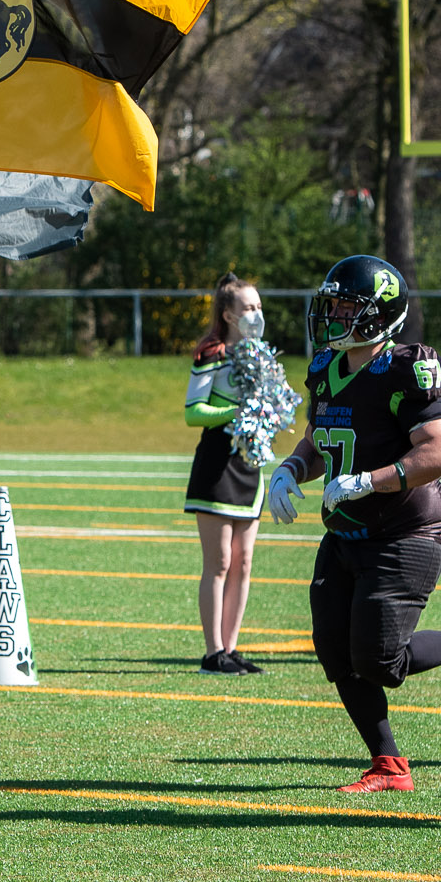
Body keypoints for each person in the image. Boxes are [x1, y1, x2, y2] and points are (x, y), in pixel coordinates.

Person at [266, 256, 441, 793]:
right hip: (345, 532)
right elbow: (320, 437)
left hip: (404, 530)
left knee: (381, 660)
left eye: (346, 306)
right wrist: (290, 468)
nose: (332, 315)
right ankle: (388, 763)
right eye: (330, 304)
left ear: (380, 315)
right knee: (335, 650)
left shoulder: (406, 368)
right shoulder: (327, 368)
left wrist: (368, 481)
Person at [184, 274, 268, 674]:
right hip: (218, 464)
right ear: (228, 314)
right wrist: (236, 414)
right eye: (248, 308)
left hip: (250, 464)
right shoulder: (211, 352)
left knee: (243, 562)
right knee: (218, 562)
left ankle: (232, 649)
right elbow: (193, 411)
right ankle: (212, 652)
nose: (256, 315)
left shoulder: (259, 355)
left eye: (259, 308)